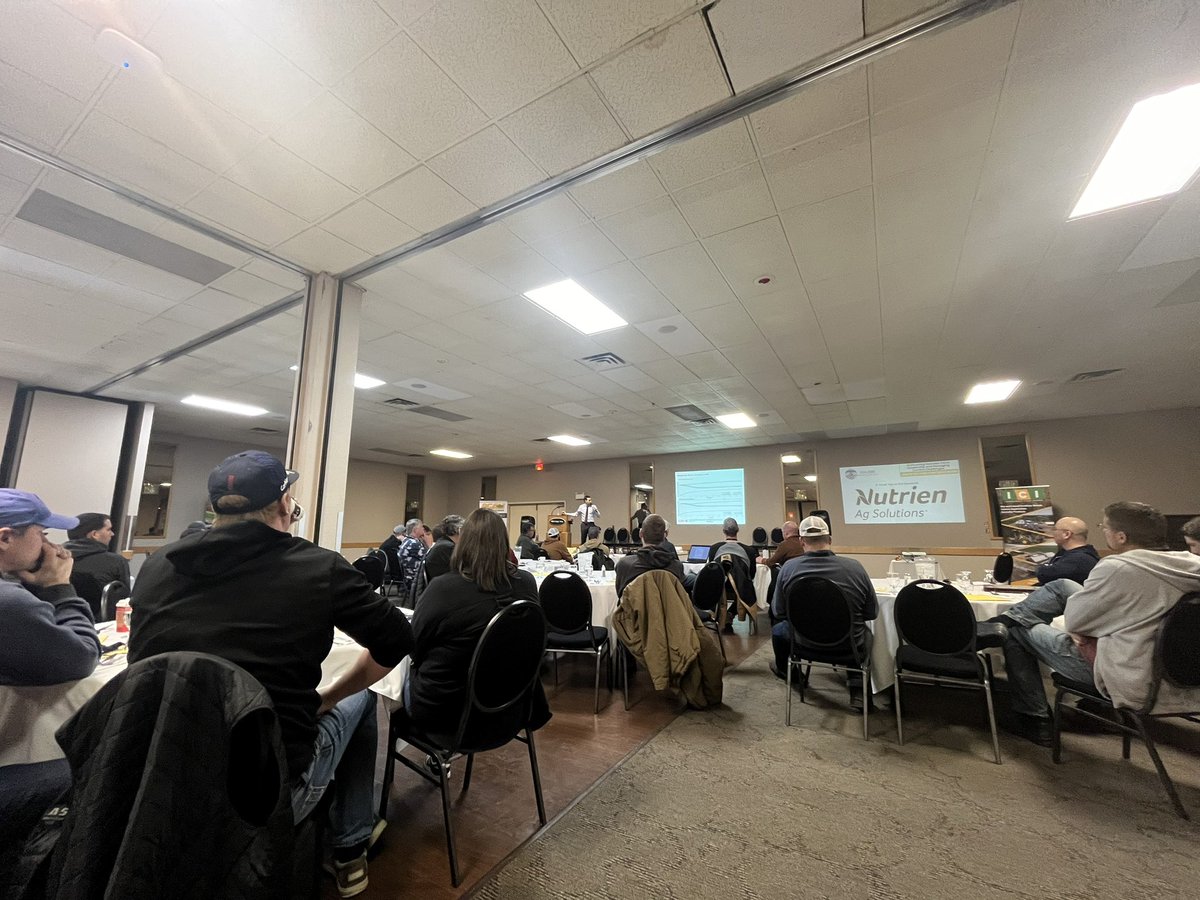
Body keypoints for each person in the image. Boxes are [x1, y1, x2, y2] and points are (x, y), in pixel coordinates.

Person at [128, 451, 413, 898]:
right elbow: (397, 640)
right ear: (284, 505)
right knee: (360, 700)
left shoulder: (158, 565)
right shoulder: (319, 567)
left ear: (216, 507)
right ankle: (350, 845)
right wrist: (328, 697)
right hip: (264, 791)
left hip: (156, 776)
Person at [996, 501, 1200, 747]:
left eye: (1105, 527)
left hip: (1132, 676)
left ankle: (1035, 720)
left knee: (1016, 629)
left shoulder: (1119, 568)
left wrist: (1086, 631)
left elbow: (1076, 621)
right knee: (1062, 586)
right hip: (1180, 672)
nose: (1103, 531)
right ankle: (1007, 619)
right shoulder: (1190, 565)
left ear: (1121, 536)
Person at [0, 490, 99, 872]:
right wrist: (59, 587)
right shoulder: (8, 603)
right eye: (41, 534)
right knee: (97, 765)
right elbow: (80, 657)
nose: (50, 545)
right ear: (6, 537)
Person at [406, 508, 543, 737]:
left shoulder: (443, 588)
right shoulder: (526, 584)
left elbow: (413, 646)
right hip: (512, 710)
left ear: (463, 541)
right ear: (504, 542)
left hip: (449, 717)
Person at [771, 515, 877, 710]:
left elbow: (778, 611)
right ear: (830, 540)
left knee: (779, 630)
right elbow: (872, 613)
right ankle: (858, 689)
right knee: (866, 633)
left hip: (803, 643)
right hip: (849, 644)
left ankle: (793, 675)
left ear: (802, 541)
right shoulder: (855, 568)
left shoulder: (788, 569)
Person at [64, 512, 131, 619]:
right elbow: (124, 601)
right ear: (95, 534)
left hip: (60, 621)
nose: (112, 534)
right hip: (100, 626)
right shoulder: (116, 562)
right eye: (108, 529)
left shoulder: (57, 559)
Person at [615, 514, 685, 597]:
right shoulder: (677, 567)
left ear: (641, 534)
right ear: (664, 536)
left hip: (634, 609)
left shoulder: (624, 565)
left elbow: (621, 596)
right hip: (667, 610)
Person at [1034, 516, 1100, 585]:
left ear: (1066, 534)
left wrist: (1040, 568)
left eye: (1055, 529)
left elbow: (1045, 575)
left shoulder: (1080, 559)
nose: (1053, 533)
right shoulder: (1067, 553)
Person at [421, 514, 464, 584]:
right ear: (458, 530)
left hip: (437, 585)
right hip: (444, 587)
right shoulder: (447, 548)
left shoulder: (442, 544)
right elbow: (459, 571)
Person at [392, 519, 428, 598]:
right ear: (415, 530)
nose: (423, 529)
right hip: (416, 580)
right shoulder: (414, 544)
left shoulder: (407, 541)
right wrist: (428, 542)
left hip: (409, 578)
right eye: (422, 527)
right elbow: (429, 559)